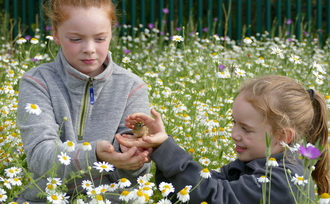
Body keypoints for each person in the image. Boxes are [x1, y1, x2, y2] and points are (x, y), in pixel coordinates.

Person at [17, 0, 150, 202]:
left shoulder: (132, 87)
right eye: (76, 39)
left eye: (99, 39)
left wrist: (134, 159)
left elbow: (135, 174)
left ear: (111, 33)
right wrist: (94, 154)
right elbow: (39, 158)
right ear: (56, 34)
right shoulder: (37, 82)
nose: (89, 48)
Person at [116, 75, 330, 203]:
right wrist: (160, 147)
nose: (234, 134)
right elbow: (189, 193)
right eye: (234, 123)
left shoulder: (284, 180)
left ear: (283, 136)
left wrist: (166, 149)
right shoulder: (256, 164)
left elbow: (214, 197)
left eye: (246, 128)